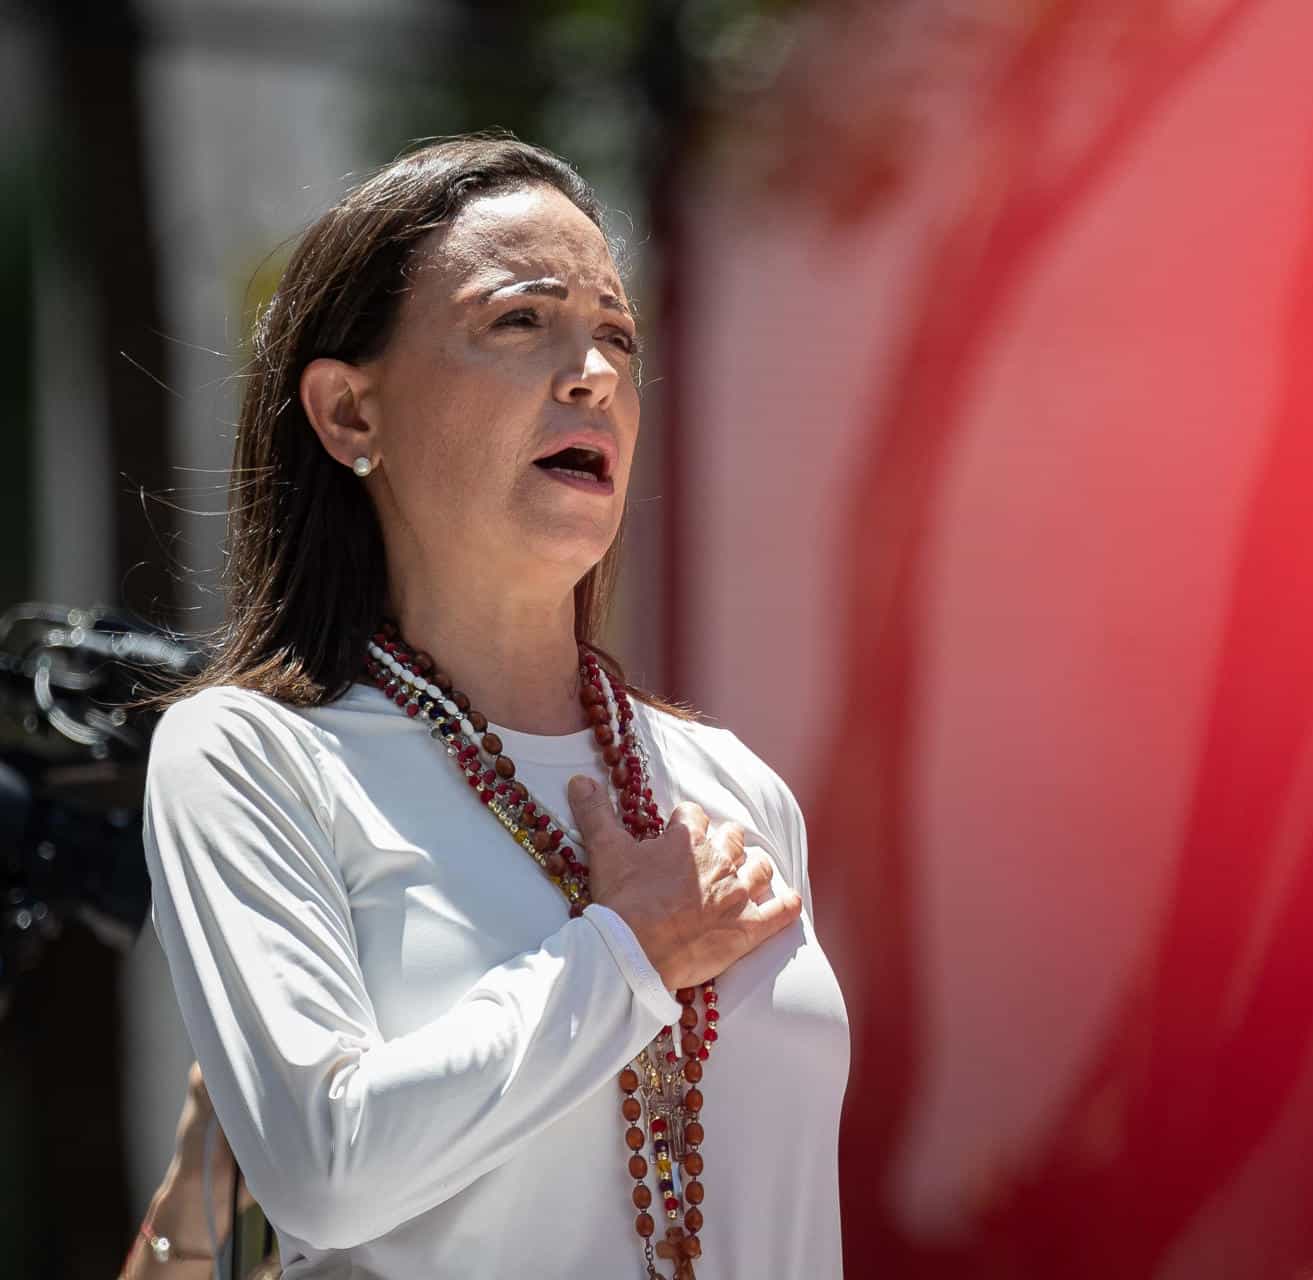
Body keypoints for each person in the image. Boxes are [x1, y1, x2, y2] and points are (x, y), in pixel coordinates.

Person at [140, 133, 849, 1279]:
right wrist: (628, 950)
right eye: (522, 321)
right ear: (350, 415)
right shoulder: (250, 756)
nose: (597, 373)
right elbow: (327, 1166)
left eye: (617, 333)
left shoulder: (732, 784)